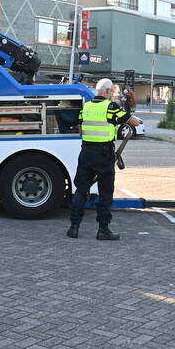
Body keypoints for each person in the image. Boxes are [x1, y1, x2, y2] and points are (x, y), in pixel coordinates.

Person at [67, 78, 142, 241]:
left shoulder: (85, 107)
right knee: (105, 193)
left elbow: (81, 129)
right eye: (112, 92)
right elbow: (133, 122)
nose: (112, 95)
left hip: (86, 152)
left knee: (81, 190)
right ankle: (103, 230)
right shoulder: (111, 107)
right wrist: (135, 118)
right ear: (107, 91)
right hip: (104, 154)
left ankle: (74, 227)